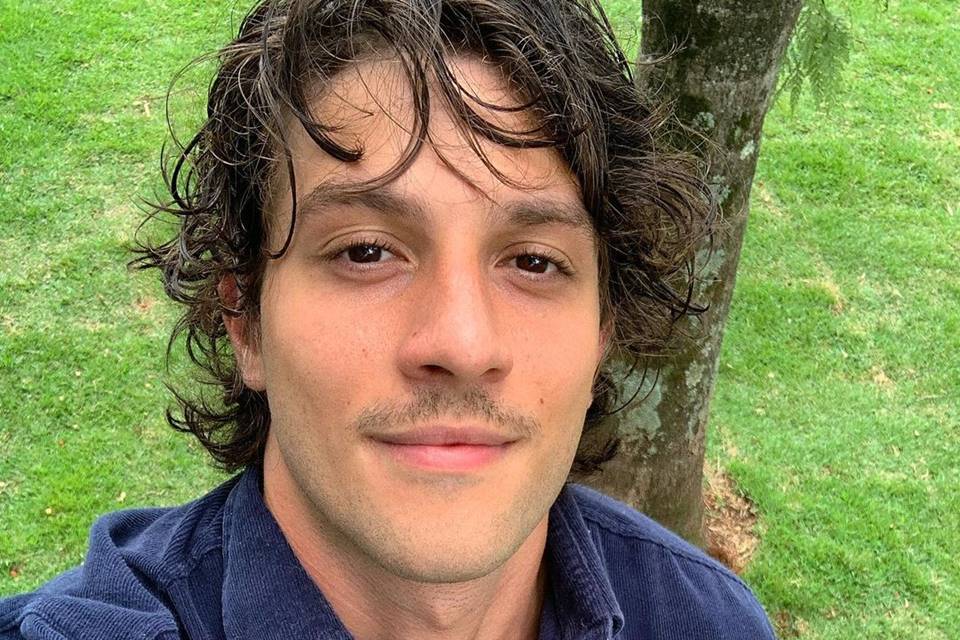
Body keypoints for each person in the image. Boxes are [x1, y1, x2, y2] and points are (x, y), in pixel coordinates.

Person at [0, 0, 777, 638]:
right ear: (245, 320)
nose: (462, 343)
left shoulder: (711, 622)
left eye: (535, 262)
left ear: (603, 328)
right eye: (366, 252)